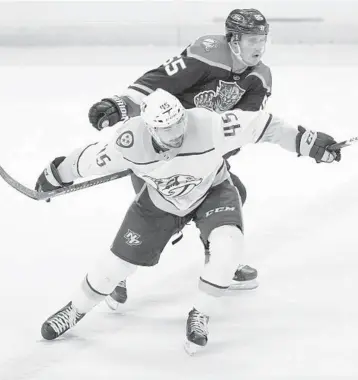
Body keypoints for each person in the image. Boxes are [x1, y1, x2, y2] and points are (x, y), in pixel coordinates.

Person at [37, 89, 341, 354]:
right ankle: (74, 310)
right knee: (115, 267)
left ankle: (201, 313)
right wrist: (55, 175)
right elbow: (86, 161)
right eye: (167, 130)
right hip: (159, 204)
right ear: (150, 128)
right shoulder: (128, 143)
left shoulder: (209, 125)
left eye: (180, 122)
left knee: (228, 248)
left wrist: (308, 142)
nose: (177, 134)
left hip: (213, 191)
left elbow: (267, 126)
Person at [88, 8, 272, 308]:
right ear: (233, 40)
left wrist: (210, 150)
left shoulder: (260, 77)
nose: (259, 46)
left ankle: (220, 260)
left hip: (201, 156)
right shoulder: (207, 54)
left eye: (262, 39)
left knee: (234, 193)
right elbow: (156, 84)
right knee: (149, 216)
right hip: (158, 149)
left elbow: (245, 126)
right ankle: (115, 274)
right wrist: (120, 105)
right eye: (252, 39)